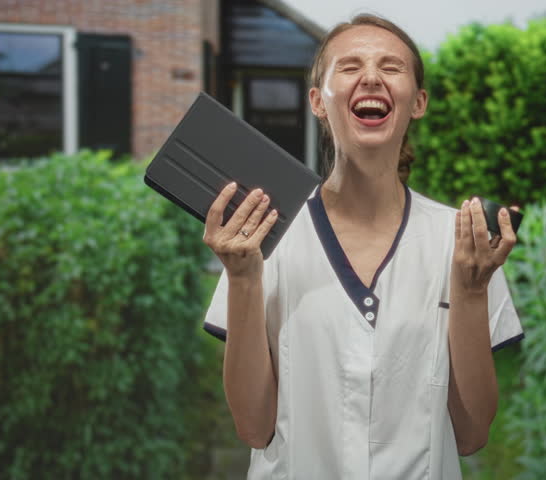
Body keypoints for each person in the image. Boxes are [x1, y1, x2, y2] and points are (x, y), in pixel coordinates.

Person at [202, 13, 523, 479]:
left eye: (391, 68)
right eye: (349, 67)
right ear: (317, 100)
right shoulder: (261, 236)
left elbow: (472, 435)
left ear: (418, 101)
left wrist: (471, 293)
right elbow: (253, 427)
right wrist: (243, 278)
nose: (371, 77)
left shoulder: (461, 246)